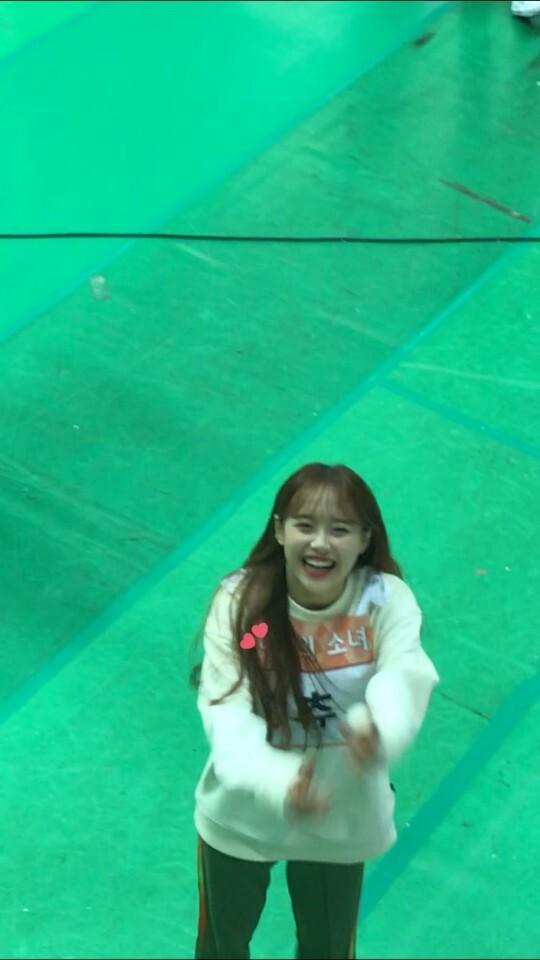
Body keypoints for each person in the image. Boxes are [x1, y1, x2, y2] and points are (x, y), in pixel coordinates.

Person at [190, 462, 439, 960]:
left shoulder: (384, 600)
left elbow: (403, 674)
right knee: (221, 948)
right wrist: (281, 782)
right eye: (305, 525)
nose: (321, 543)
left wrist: (382, 730)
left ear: (365, 539)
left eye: (340, 529)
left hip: (340, 814)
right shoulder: (243, 604)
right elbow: (228, 709)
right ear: (279, 530)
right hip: (242, 814)